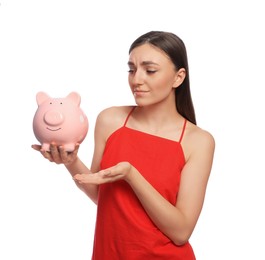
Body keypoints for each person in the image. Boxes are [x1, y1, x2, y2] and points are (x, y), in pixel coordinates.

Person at [32, 31, 215, 259]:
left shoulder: (197, 141)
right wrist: (71, 162)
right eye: (131, 69)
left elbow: (181, 231)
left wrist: (131, 175)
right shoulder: (111, 120)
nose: (136, 79)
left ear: (178, 78)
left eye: (150, 70)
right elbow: (101, 195)